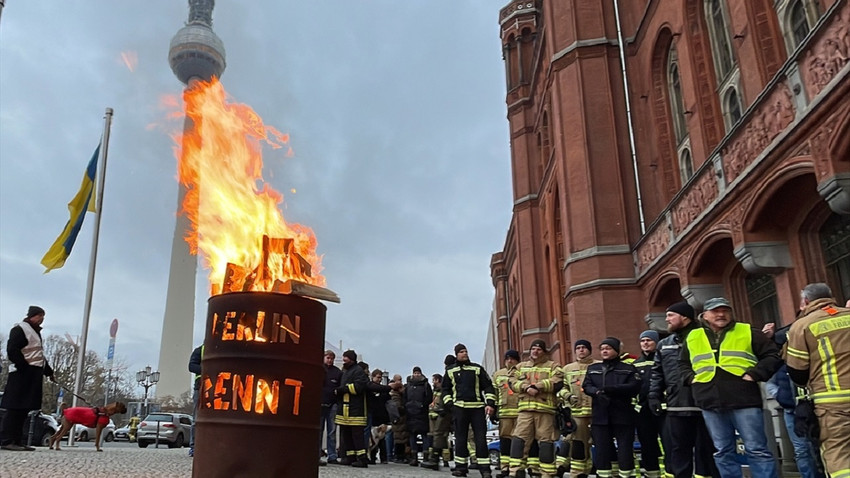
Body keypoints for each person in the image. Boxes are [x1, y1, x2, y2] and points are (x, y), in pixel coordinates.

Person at [679, 297, 781, 478]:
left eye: (725, 310)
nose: (721, 314)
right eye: (716, 311)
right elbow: (682, 364)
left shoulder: (747, 331)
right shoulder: (693, 336)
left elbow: (773, 355)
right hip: (709, 400)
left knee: (756, 449)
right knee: (722, 451)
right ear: (705, 315)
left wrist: (755, 374)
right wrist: (690, 378)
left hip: (744, 399)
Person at [785, 283, 850, 478]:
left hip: (832, 402)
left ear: (805, 302)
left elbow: (797, 371)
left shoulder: (802, 326)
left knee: (837, 453)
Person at [649, 301, 718, 478]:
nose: (667, 319)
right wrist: (654, 396)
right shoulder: (664, 344)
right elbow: (657, 373)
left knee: (707, 449)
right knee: (679, 449)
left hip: (704, 402)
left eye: (671, 315)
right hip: (677, 405)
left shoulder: (707, 337)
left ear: (685, 317)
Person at [763, 314, 825, 478]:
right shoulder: (781, 348)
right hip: (791, 409)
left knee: (822, 448)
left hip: (818, 407)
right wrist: (780, 396)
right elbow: (769, 378)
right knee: (802, 451)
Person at [582, 337, 641, 478]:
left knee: (625, 449)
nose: (604, 351)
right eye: (602, 349)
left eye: (608, 348)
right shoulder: (593, 369)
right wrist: (596, 392)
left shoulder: (628, 369)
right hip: (600, 416)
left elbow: (635, 386)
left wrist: (613, 389)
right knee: (602, 449)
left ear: (616, 351)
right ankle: (603, 475)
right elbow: (586, 385)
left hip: (622, 415)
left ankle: (626, 475)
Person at [0, 306, 55, 451]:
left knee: (23, 409)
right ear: (33, 316)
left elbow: (38, 355)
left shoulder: (35, 332)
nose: (42, 319)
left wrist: (48, 371)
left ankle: (18, 440)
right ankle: (7, 440)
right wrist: (23, 366)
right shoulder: (20, 329)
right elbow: (12, 350)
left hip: (32, 373)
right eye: (40, 316)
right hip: (21, 373)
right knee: (14, 408)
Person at [508, 339, 563, 478]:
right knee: (519, 441)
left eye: (539, 349)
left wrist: (538, 386)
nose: (535, 351)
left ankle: (547, 474)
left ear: (544, 352)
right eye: (533, 348)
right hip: (525, 411)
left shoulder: (553, 366)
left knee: (546, 444)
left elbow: (558, 381)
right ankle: (515, 472)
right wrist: (526, 387)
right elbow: (511, 382)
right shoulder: (520, 366)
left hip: (545, 411)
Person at [443, 343, 497, 478]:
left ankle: (485, 469)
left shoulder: (477, 369)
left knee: (480, 439)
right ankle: (461, 468)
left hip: (477, 408)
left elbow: (488, 387)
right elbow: (445, 390)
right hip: (459, 408)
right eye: (461, 352)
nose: (464, 353)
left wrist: (490, 403)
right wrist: (450, 404)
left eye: (466, 351)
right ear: (456, 354)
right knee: (460, 439)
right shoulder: (450, 370)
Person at [560, 339, 597, 478]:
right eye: (578, 348)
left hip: (597, 412)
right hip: (577, 413)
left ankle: (606, 471)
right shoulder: (567, 369)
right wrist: (568, 395)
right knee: (579, 445)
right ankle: (578, 473)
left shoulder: (598, 365)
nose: (581, 350)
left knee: (602, 443)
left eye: (584, 348)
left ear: (589, 350)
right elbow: (561, 388)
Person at [634, 330, 664, 478]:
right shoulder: (636, 364)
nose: (645, 343)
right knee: (647, 444)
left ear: (656, 342)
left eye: (649, 340)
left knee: (667, 443)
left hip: (662, 409)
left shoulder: (663, 359)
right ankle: (652, 474)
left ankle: (669, 472)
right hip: (643, 411)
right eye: (642, 340)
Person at [334, 350, 369, 468]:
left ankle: (362, 458)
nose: (344, 359)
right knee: (346, 434)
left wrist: (344, 389)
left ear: (352, 359)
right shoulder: (346, 371)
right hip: (344, 410)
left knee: (357, 435)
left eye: (346, 358)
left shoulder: (358, 371)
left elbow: (359, 387)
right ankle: (350, 457)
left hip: (355, 410)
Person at [492, 349, 521, 477]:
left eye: (513, 358)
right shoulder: (498, 374)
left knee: (520, 441)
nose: (510, 361)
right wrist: (492, 409)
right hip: (504, 413)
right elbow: (494, 393)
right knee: (505, 441)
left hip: (521, 412)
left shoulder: (521, 372)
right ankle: (505, 468)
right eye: (508, 358)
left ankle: (519, 469)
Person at [421, 373, 452, 471]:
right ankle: (433, 458)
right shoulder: (435, 391)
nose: (433, 382)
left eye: (434, 380)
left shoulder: (443, 390)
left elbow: (439, 404)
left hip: (440, 417)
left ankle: (442, 460)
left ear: (438, 380)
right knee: (434, 438)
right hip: (433, 418)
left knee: (441, 438)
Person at [404, 366, 433, 466]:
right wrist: (407, 405)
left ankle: (425, 456)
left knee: (424, 435)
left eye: (418, 373)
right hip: (410, 413)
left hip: (422, 413)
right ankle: (414, 457)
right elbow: (405, 397)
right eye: (415, 373)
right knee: (412, 435)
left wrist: (422, 405)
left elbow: (429, 397)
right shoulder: (408, 385)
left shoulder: (425, 385)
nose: (416, 375)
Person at [366, 368, 396, 464]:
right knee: (373, 438)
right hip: (373, 416)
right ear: (373, 377)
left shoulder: (384, 390)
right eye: (378, 377)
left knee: (382, 438)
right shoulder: (370, 388)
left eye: (381, 377)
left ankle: (384, 457)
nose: (379, 379)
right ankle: (372, 457)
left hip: (382, 416)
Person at [319, 350, 342, 465]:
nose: (330, 360)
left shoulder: (337, 372)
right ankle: (317, 454)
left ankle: (332, 456)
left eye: (332, 358)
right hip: (320, 404)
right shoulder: (318, 369)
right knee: (319, 431)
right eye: (328, 358)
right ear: (323, 357)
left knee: (332, 431)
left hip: (332, 405)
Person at [187, 344, 203, 457]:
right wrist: (208, 369)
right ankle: (194, 447)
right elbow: (191, 366)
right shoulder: (199, 350)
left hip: (219, 387)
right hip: (200, 387)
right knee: (196, 419)